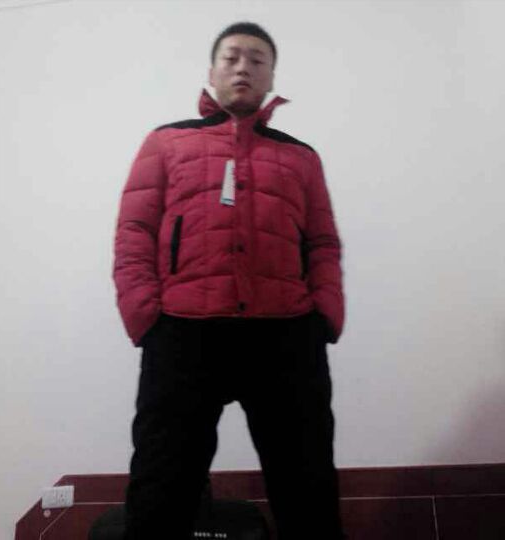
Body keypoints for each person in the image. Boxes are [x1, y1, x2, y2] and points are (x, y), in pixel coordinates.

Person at [112, 21, 346, 540]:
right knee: (161, 484)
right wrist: (145, 317)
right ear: (212, 71)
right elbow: (134, 232)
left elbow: (323, 243)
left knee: (307, 485)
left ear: (271, 77)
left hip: (287, 336)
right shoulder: (166, 142)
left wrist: (324, 316)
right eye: (232, 57)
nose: (244, 68)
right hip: (182, 335)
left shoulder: (300, 156)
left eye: (257, 60)